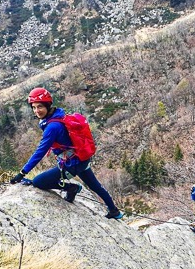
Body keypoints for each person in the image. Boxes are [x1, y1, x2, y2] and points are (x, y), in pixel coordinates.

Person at [10, 87, 123, 219]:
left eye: (39, 106)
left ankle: (71, 188)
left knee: (38, 182)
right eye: (34, 107)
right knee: (95, 186)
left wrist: (22, 173)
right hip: (80, 157)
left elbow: (40, 152)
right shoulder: (58, 115)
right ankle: (114, 211)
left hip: (73, 163)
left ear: (47, 105)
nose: (36, 111)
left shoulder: (52, 127)